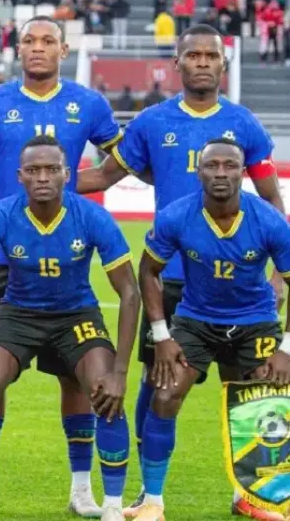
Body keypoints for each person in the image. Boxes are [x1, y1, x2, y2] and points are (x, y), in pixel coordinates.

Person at [76, 23, 286, 520]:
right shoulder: (151, 122)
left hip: (238, 284)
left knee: (250, 393)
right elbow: (107, 175)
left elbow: (273, 200)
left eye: (210, 55)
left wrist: (278, 279)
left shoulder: (245, 124)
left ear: (223, 63)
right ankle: (150, 493)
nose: (201, 62)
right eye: (191, 55)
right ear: (177, 63)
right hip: (171, 277)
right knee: (158, 387)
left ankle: (252, 493)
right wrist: (47, 186)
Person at [0, 15, 125, 517]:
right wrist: (6, 196)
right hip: (3, 260)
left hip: (67, 258)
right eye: (29, 42)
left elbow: (118, 162)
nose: (38, 49)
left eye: (48, 42)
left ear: (63, 49)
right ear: (18, 50)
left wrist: (77, 189)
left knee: (74, 379)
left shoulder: (90, 104)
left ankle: (82, 489)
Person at [0, 135, 139, 521]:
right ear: (19, 176)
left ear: (67, 175)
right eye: (34, 170)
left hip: (77, 315)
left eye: (51, 169)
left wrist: (121, 372)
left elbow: (130, 292)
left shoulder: (91, 216)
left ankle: (105, 503)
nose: (43, 177)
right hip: (18, 313)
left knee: (106, 393)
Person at [136, 138, 290, 521]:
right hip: (195, 320)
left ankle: (253, 497)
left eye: (230, 165)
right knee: (165, 394)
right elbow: (148, 271)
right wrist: (162, 335)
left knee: (265, 407)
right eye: (212, 165)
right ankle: (152, 501)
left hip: (254, 322)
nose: (221, 173)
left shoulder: (270, 220)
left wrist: (286, 347)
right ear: (199, 171)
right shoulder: (176, 215)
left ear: (243, 171)